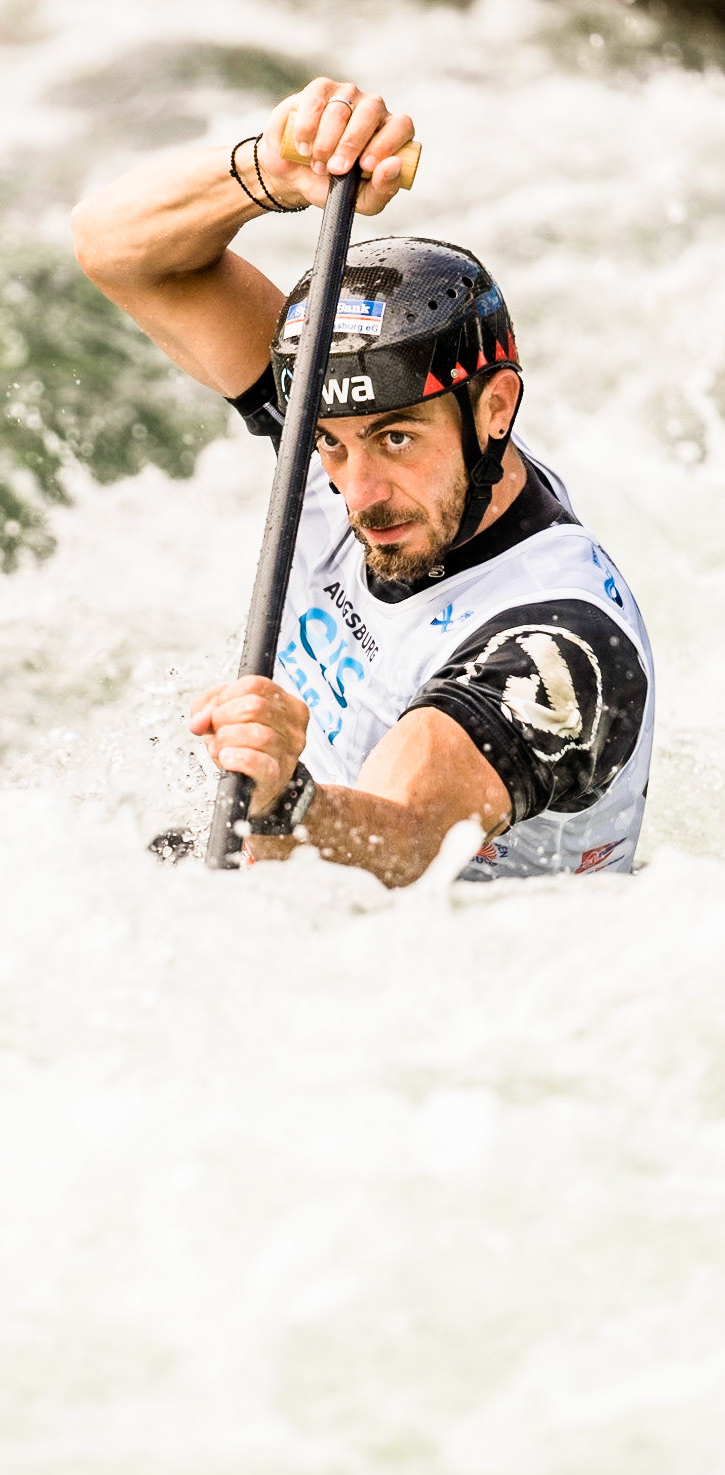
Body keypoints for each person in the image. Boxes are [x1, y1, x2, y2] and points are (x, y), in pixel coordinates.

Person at [71, 77, 653, 886]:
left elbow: (407, 839)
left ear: (496, 407)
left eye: (397, 438)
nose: (359, 493)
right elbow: (113, 248)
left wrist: (286, 804)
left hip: (433, 945)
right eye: (330, 444)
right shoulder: (339, 433)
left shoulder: (562, 640)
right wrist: (270, 170)